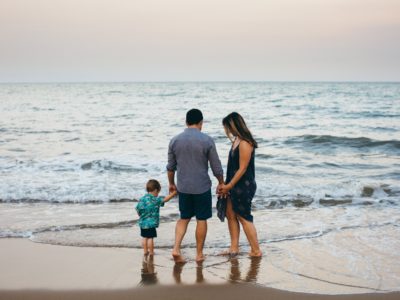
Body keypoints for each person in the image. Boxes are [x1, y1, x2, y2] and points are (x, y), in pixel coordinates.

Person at [167, 108, 224, 262]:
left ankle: (176, 248)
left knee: (184, 218)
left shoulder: (174, 140)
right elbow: (216, 166)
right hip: (201, 187)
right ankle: (199, 255)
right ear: (201, 123)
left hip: (183, 187)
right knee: (201, 219)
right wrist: (221, 182)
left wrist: (172, 184)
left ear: (186, 122)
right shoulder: (207, 140)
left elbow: (170, 167)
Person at [218, 112, 262, 257]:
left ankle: (256, 250)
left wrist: (229, 186)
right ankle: (234, 248)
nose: (228, 131)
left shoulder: (245, 142)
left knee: (244, 216)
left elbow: (242, 169)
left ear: (235, 125)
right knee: (231, 214)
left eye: (228, 127)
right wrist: (224, 184)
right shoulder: (236, 140)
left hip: (244, 185)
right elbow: (232, 167)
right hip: (233, 184)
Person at [136, 179, 177, 256]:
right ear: (155, 190)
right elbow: (165, 200)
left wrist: (141, 216)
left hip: (143, 223)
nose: (158, 194)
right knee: (150, 238)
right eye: (158, 192)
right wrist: (173, 193)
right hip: (151, 223)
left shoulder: (142, 199)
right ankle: (151, 252)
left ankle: (145, 251)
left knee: (144, 237)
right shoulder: (155, 199)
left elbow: (138, 209)